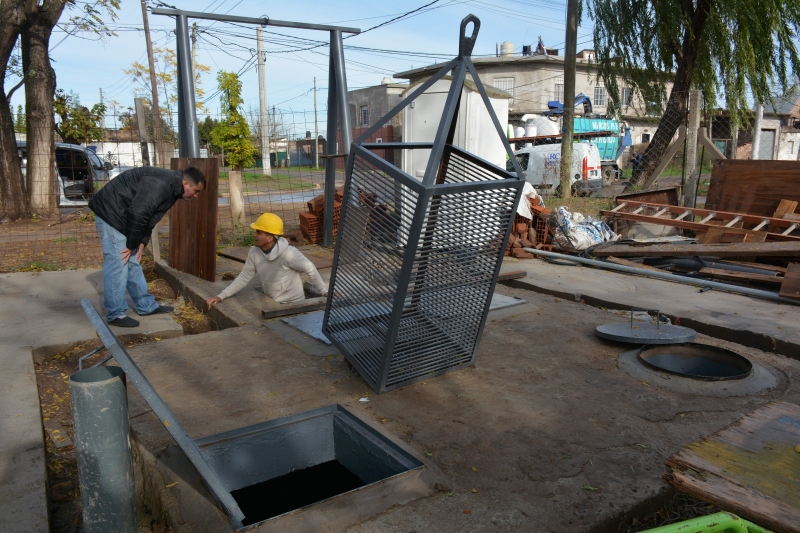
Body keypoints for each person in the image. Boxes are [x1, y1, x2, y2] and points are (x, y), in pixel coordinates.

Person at [89, 166, 206, 327]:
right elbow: (139, 212)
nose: (196, 196)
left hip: (125, 215)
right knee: (118, 261)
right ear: (186, 183)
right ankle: (116, 313)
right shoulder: (160, 184)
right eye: (196, 191)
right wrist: (131, 244)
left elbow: (152, 216)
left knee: (132, 261)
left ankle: (146, 305)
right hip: (110, 212)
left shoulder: (173, 189)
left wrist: (141, 241)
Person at [206, 213, 327, 309]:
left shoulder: (289, 253)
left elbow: (310, 268)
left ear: (270, 238)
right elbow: (244, 277)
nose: (254, 235)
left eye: (258, 232)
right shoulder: (254, 252)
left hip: (295, 304)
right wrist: (221, 296)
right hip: (272, 303)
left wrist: (324, 292)